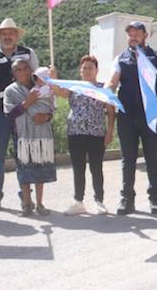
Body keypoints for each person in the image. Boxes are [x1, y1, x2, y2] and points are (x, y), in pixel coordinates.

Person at [108, 21, 157, 215]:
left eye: (136, 33)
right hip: (127, 115)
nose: (133, 36)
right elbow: (112, 81)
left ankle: (155, 198)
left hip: (151, 114)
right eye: (130, 34)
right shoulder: (120, 58)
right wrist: (104, 93)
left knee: (152, 155)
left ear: (146, 35)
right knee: (128, 158)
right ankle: (127, 199)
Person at [0, 18, 39, 212]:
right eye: (4, 33)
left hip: (25, 111)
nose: (7, 36)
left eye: (11, 33)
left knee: (24, 155)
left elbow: (37, 77)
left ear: (17, 35)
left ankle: (25, 198)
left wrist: (48, 76)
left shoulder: (28, 54)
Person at [54, 55, 115, 216]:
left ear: (96, 70)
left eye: (90, 68)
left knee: (96, 168)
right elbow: (59, 92)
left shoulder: (103, 88)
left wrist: (109, 132)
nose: (87, 71)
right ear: (80, 71)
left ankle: (99, 201)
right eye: (84, 68)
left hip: (96, 133)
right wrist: (53, 77)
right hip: (75, 132)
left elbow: (110, 111)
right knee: (78, 168)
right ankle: (78, 201)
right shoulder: (74, 87)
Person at [3, 63, 56, 216]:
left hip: (41, 132)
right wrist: (28, 102)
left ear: (31, 71)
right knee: (24, 169)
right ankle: (27, 204)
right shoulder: (10, 91)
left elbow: (51, 106)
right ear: (14, 73)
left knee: (40, 167)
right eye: (18, 69)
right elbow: (10, 113)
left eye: (26, 68)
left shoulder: (42, 86)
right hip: (22, 136)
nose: (23, 72)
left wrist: (46, 117)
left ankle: (40, 204)